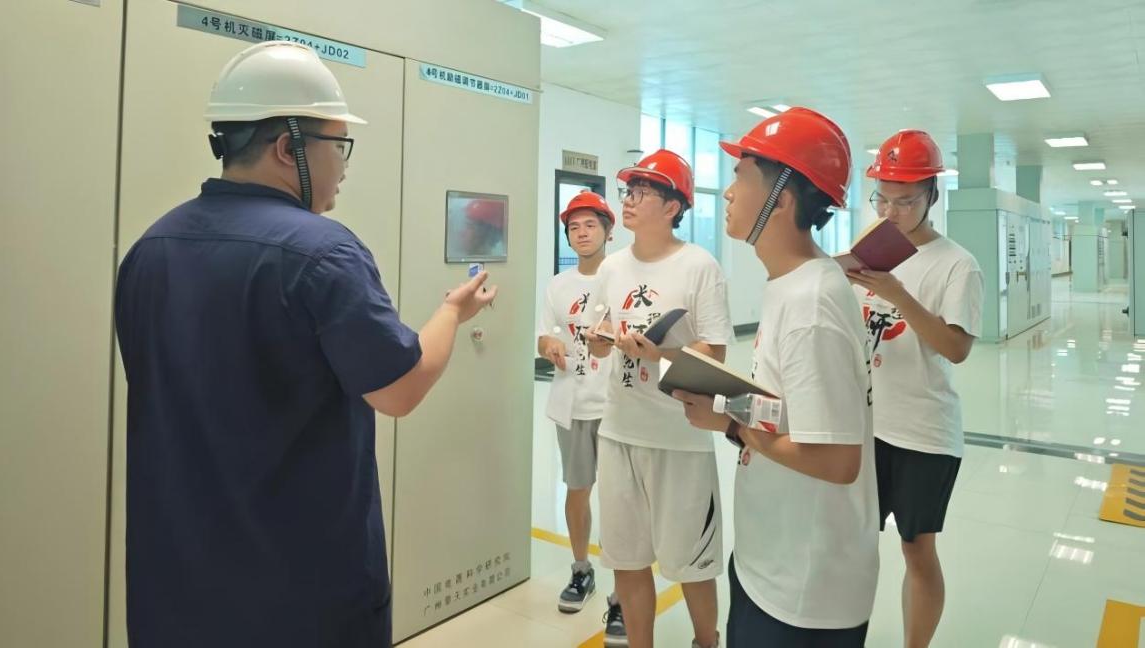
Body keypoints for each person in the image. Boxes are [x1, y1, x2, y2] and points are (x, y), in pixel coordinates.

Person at [114, 42, 496, 648]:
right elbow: (399, 390)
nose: (343, 165)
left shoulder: (151, 248)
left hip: (176, 586)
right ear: (287, 147)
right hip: (300, 592)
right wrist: (451, 312)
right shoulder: (322, 252)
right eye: (338, 145)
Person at [674, 107, 879, 647]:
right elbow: (796, 413)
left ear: (781, 200)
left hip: (804, 590)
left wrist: (733, 427)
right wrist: (726, 408)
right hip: (772, 559)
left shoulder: (811, 302)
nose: (727, 192)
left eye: (741, 177)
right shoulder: (792, 284)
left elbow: (837, 460)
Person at [586, 150, 733, 648]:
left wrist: (660, 353)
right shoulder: (612, 266)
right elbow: (598, 334)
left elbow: (715, 350)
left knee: (692, 562)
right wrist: (599, 339)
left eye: (642, 192)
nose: (628, 201)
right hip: (619, 430)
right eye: (628, 191)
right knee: (626, 559)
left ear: (673, 207)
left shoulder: (698, 266)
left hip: (680, 435)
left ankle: (706, 641)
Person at [848, 129, 984, 648]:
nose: (891, 212)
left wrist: (899, 295)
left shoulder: (956, 264)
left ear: (932, 195)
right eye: (881, 198)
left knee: (916, 549)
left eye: (905, 201)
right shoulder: (870, 250)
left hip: (923, 433)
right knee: (853, 541)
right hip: (865, 425)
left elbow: (956, 348)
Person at [536, 190, 625, 644]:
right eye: (573, 227)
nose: (582, 233)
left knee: (619, 499)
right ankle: (581, 570)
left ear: (609, 230)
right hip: (571, 403)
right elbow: (544, 335)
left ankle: (623, 594)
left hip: (616, 405)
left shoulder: (624, 278)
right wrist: (549, 345)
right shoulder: (558, 285)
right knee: (577, 490)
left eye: (590, 225)